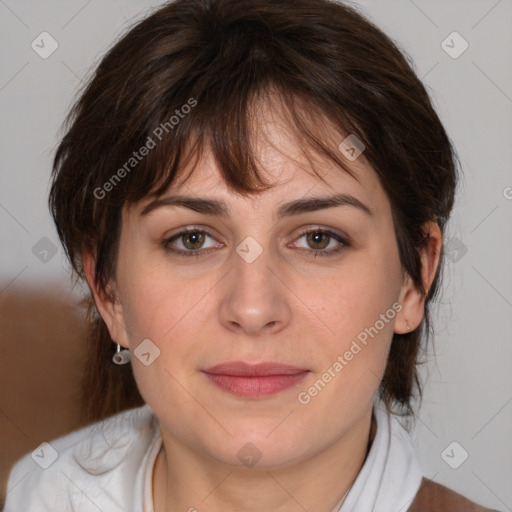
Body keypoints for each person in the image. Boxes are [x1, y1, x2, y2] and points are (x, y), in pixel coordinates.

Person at [3, 0, 502, 510]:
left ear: (414, 277)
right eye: (192, 239)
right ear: (107, 290)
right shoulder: (38, 495)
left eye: (318, 239)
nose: (253, 308)